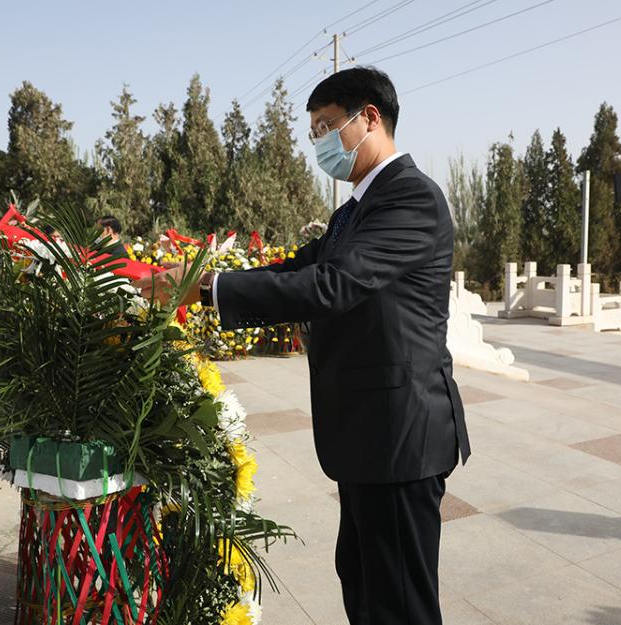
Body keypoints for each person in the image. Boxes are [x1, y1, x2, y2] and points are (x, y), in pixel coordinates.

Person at [137, 66, 470, 625]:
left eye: (326, 125)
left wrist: (205, 287)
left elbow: (331, 286)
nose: (319, 141)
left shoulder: (410, 197)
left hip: (400, 436)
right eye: (312, 129)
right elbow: (299, 268)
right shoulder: (353, 211)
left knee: (401, 602)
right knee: (363, 583)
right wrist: (200, 277)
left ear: (369, 118)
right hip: (368, 435)